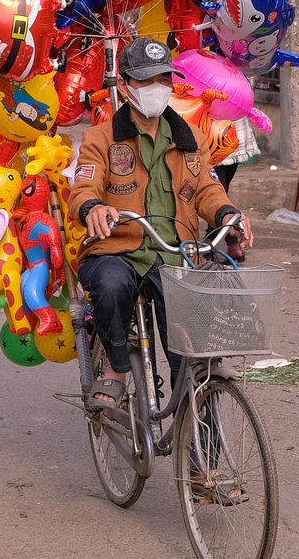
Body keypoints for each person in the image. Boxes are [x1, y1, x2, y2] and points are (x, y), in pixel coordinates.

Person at [69, 37, 251, 410]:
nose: (158, 89)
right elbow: (84, 185)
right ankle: (117, 371)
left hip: (175, 254)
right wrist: (93, 207)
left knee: (194, 359)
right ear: (124, 86)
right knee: (111, 284)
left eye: (164, 79)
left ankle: (203, 460)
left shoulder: (190, 138)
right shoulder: (100, 138)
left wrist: (228, 215)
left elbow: (207, 190)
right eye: (146, 81)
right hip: (117, 249)